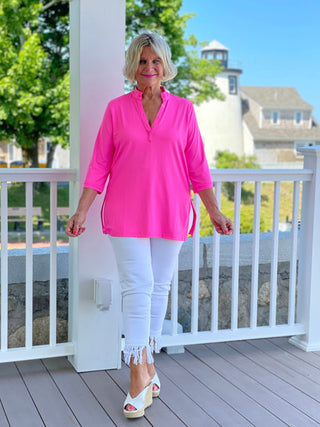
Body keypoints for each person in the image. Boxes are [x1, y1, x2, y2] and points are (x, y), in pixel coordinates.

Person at [66, 32, 233, 419]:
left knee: (159, 287)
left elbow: (198, 169)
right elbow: (98, 166)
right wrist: (82, 211)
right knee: (137, 285)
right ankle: (138, 374)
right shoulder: (116, 110)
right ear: (132, 67)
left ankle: (149, 364)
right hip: (125, 211)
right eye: (142, 62)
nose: (149, 68)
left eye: (155, 61)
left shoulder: (185, 111)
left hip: (172, 210)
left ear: (165, 66)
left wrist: (214, 212)